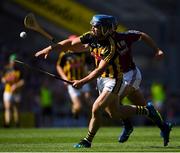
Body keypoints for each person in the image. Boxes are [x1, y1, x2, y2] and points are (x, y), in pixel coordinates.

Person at [35, 14, 172, 147]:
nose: (93, 29)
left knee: (98, 107)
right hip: (104, 79)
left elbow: (99, 69)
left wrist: (82, 81)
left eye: (97, 27)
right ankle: (153, 118)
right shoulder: (92, 37)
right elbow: (72, 43)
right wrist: (50, 48)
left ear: (107, 28)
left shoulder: (112, 46)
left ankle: (89, 140)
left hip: (123, 76)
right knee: (114, 112)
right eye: (93, 26)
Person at [111, 29, 166, 143]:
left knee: (115, 98)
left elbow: (142, 35)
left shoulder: (124, 37)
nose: (94, 29)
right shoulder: (98, 40)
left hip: (130, 74)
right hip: (116, 77)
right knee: (144, 107)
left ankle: (127, 126)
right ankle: (164, 127)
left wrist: (157, 50)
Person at [56, 35, 93, 119]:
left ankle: (93, 120)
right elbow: (58, 66)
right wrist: (64, 78)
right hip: (71, 82)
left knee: (89, 101)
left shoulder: (83, 52)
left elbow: (89, 65)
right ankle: (75, 111)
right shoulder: (64, 54)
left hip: (83, 80)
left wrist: (89, 71)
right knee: (78, 106)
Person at [1, 54, 24, 127]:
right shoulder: (6, 69)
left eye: (15, 61)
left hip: (16, 91)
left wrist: (16, 86)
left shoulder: (19, 70)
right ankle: (7, 124)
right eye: (12, 60)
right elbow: (2, 79)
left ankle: (17, 123)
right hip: (7, 91)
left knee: (16, 108)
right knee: (7, 107)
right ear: (10, 61)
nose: (13, 62)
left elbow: (22, 81)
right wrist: (5, 80)